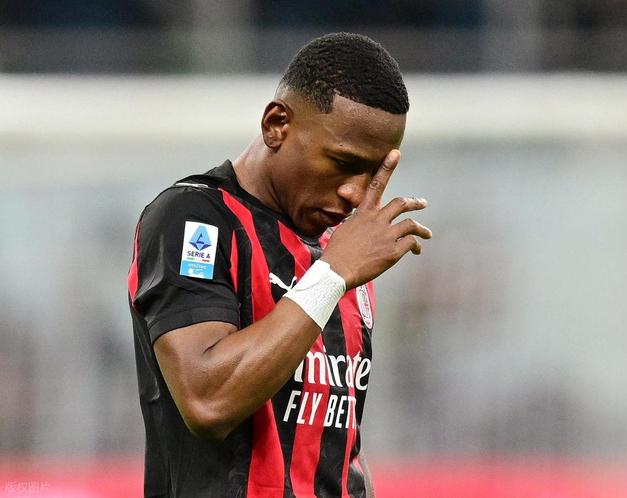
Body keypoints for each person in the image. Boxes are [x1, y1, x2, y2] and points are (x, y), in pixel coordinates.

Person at [128, 32, 432, 498]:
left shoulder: (338, 250)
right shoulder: (195, 220)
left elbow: (340, 443)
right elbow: (208, 401)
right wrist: (332, 275)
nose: (355, 193)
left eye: (373, 174)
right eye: (342, 162)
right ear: (277, 125)